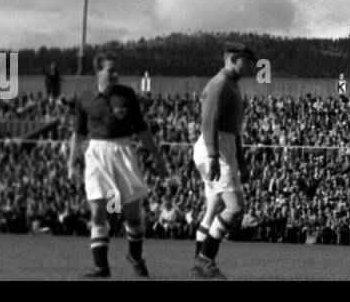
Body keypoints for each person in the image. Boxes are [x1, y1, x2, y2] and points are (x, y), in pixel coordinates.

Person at [68, 54, 170, 278]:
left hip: (123, 152)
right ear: (98, 71)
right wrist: (71, 162)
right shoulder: (85, 97)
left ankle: (135, 256)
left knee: (132, 215)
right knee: (97, 213)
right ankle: (101, 268)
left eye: (117, 70)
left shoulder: (127, 95)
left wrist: (158, 158)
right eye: (110, 70)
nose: (115, 74)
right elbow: (78, 132)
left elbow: (142, 129)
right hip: (96, 153)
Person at [191, 43, 257, 279]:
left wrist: (241, 160)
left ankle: (198, 266)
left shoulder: (231, 85)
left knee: (213, 210)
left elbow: (236, 130)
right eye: (246, 61)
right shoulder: (220, 84)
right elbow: (209, 122)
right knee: (235, 208)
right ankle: (205, 259)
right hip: (215, 147)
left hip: (222, 147)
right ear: (232, 59)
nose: (250, 66)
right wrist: (212, 155)